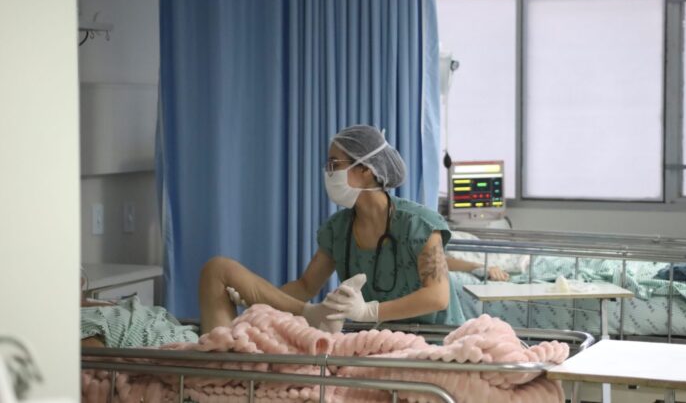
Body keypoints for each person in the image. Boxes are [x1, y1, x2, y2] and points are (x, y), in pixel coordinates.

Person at [199, 125, 479, 334]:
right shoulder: (338, 229)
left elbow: (437, 296)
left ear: (366, 169)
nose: (328, 172)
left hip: (436, 339)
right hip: (379, 340)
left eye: (334, 164)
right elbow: (306, 286)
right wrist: (259, 298)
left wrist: (369, 312)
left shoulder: (419, 224)